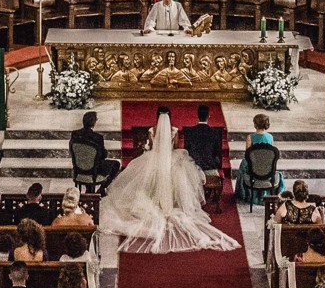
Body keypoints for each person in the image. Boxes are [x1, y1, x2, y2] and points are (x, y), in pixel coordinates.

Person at [96, 106, 238, 251]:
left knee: (146, 181)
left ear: (157, 116)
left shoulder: (152, 130)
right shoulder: (174, 131)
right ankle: (173, 202)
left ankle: (155, 199)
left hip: (154, 160)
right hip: (170, 161)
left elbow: (151, 147)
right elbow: (175, 148)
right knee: (180, 176)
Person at [69, 112, 119, 188]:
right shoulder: (98, 137)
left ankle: (89, 189)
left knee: (90, 160)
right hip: (94, 169)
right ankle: (102, 188)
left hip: (78, 168)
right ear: (94, 123)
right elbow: (103, 155)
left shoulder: (74, 134)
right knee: (116, 164)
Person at [235, 113, 276, 204]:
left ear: (255, 124)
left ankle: (245, 194)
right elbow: (270, 154)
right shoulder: (270, 137)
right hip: (266, 167)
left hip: (253, 167)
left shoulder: (250, 137)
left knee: (243, 165)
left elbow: (248, 155)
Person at [181, 102, 224, 172]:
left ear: (197, 115)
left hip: (193, 167)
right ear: (208, 116)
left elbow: (187, 151)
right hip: (210, 167)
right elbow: (218, 153)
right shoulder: (215, 132)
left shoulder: (189, 132)